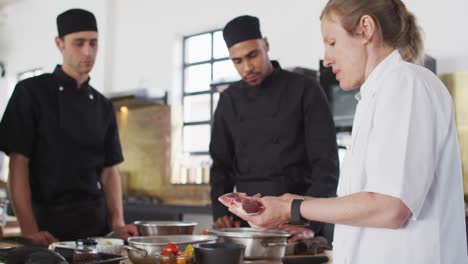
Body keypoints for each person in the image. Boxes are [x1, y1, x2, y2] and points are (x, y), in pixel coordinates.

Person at [222, 0, 468, 263]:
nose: (327, 59)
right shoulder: (374, 98)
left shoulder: (406, 84)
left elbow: (390, 207)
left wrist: (290, 207)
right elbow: (364, 203)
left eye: (332, 42)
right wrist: (291, 202)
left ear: (365, 29)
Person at [0, 8, 137, 245]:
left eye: (94, 43)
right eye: (79, 43)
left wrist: (117, 223)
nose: (88, 51)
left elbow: (109, 170)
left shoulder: (103, 105)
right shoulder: (30, 93)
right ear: (59, 43)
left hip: (96, 229)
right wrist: (29, 229)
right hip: (46, 226)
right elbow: (18, 164)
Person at [210, 15, 339, 242]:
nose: (248, 67)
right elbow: (221, 165)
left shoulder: (305, 90)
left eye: (253, 55)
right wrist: (222, 214)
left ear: (266, 45)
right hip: (247, 227)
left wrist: (307, 221)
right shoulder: (228, 100)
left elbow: (325, 165)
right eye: (238, 61)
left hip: (297, 223)